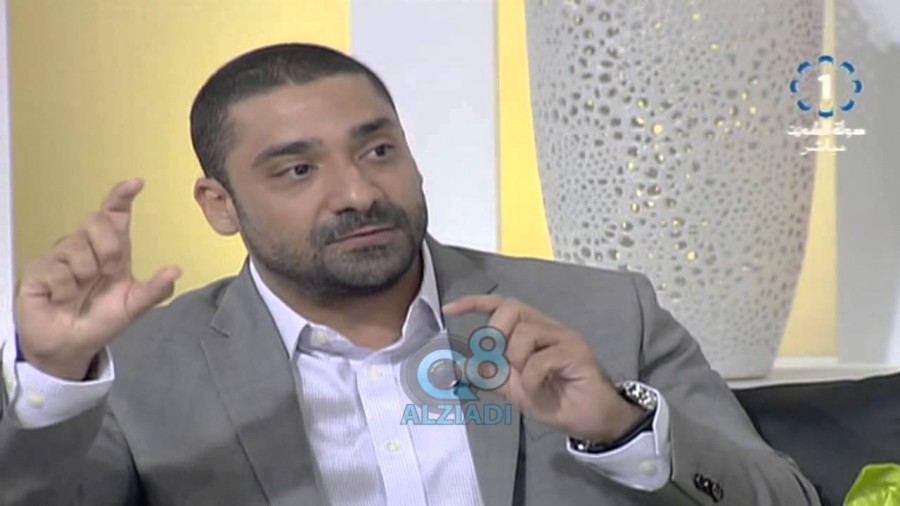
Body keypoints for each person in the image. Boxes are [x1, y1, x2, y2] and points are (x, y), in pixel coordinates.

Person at [0, 43, 818, 505]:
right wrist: (54, 380)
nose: (357, 192)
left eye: (378, 150)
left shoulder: (601, 312)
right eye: (297, 170)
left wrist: (620, 428)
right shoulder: (142, 368)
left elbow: (785, 500)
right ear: (220, 205)